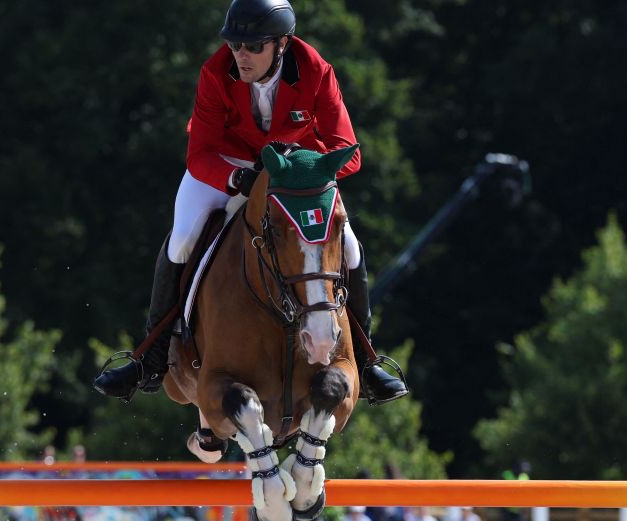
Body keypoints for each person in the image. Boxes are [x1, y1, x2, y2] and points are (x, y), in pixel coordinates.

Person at [93, 0, 408, 404]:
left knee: (348, 245)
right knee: (183, 238)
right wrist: (237, 178)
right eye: (235, 45)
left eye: (254, 46)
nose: (241, 55)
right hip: (228, 167)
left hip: (296, 174)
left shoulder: (315, 70)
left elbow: (347, 151)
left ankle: (365, 361)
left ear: (281, 44)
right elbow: (200, 154)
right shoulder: (215, 72)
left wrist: (299, 169)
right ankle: (150, 357)